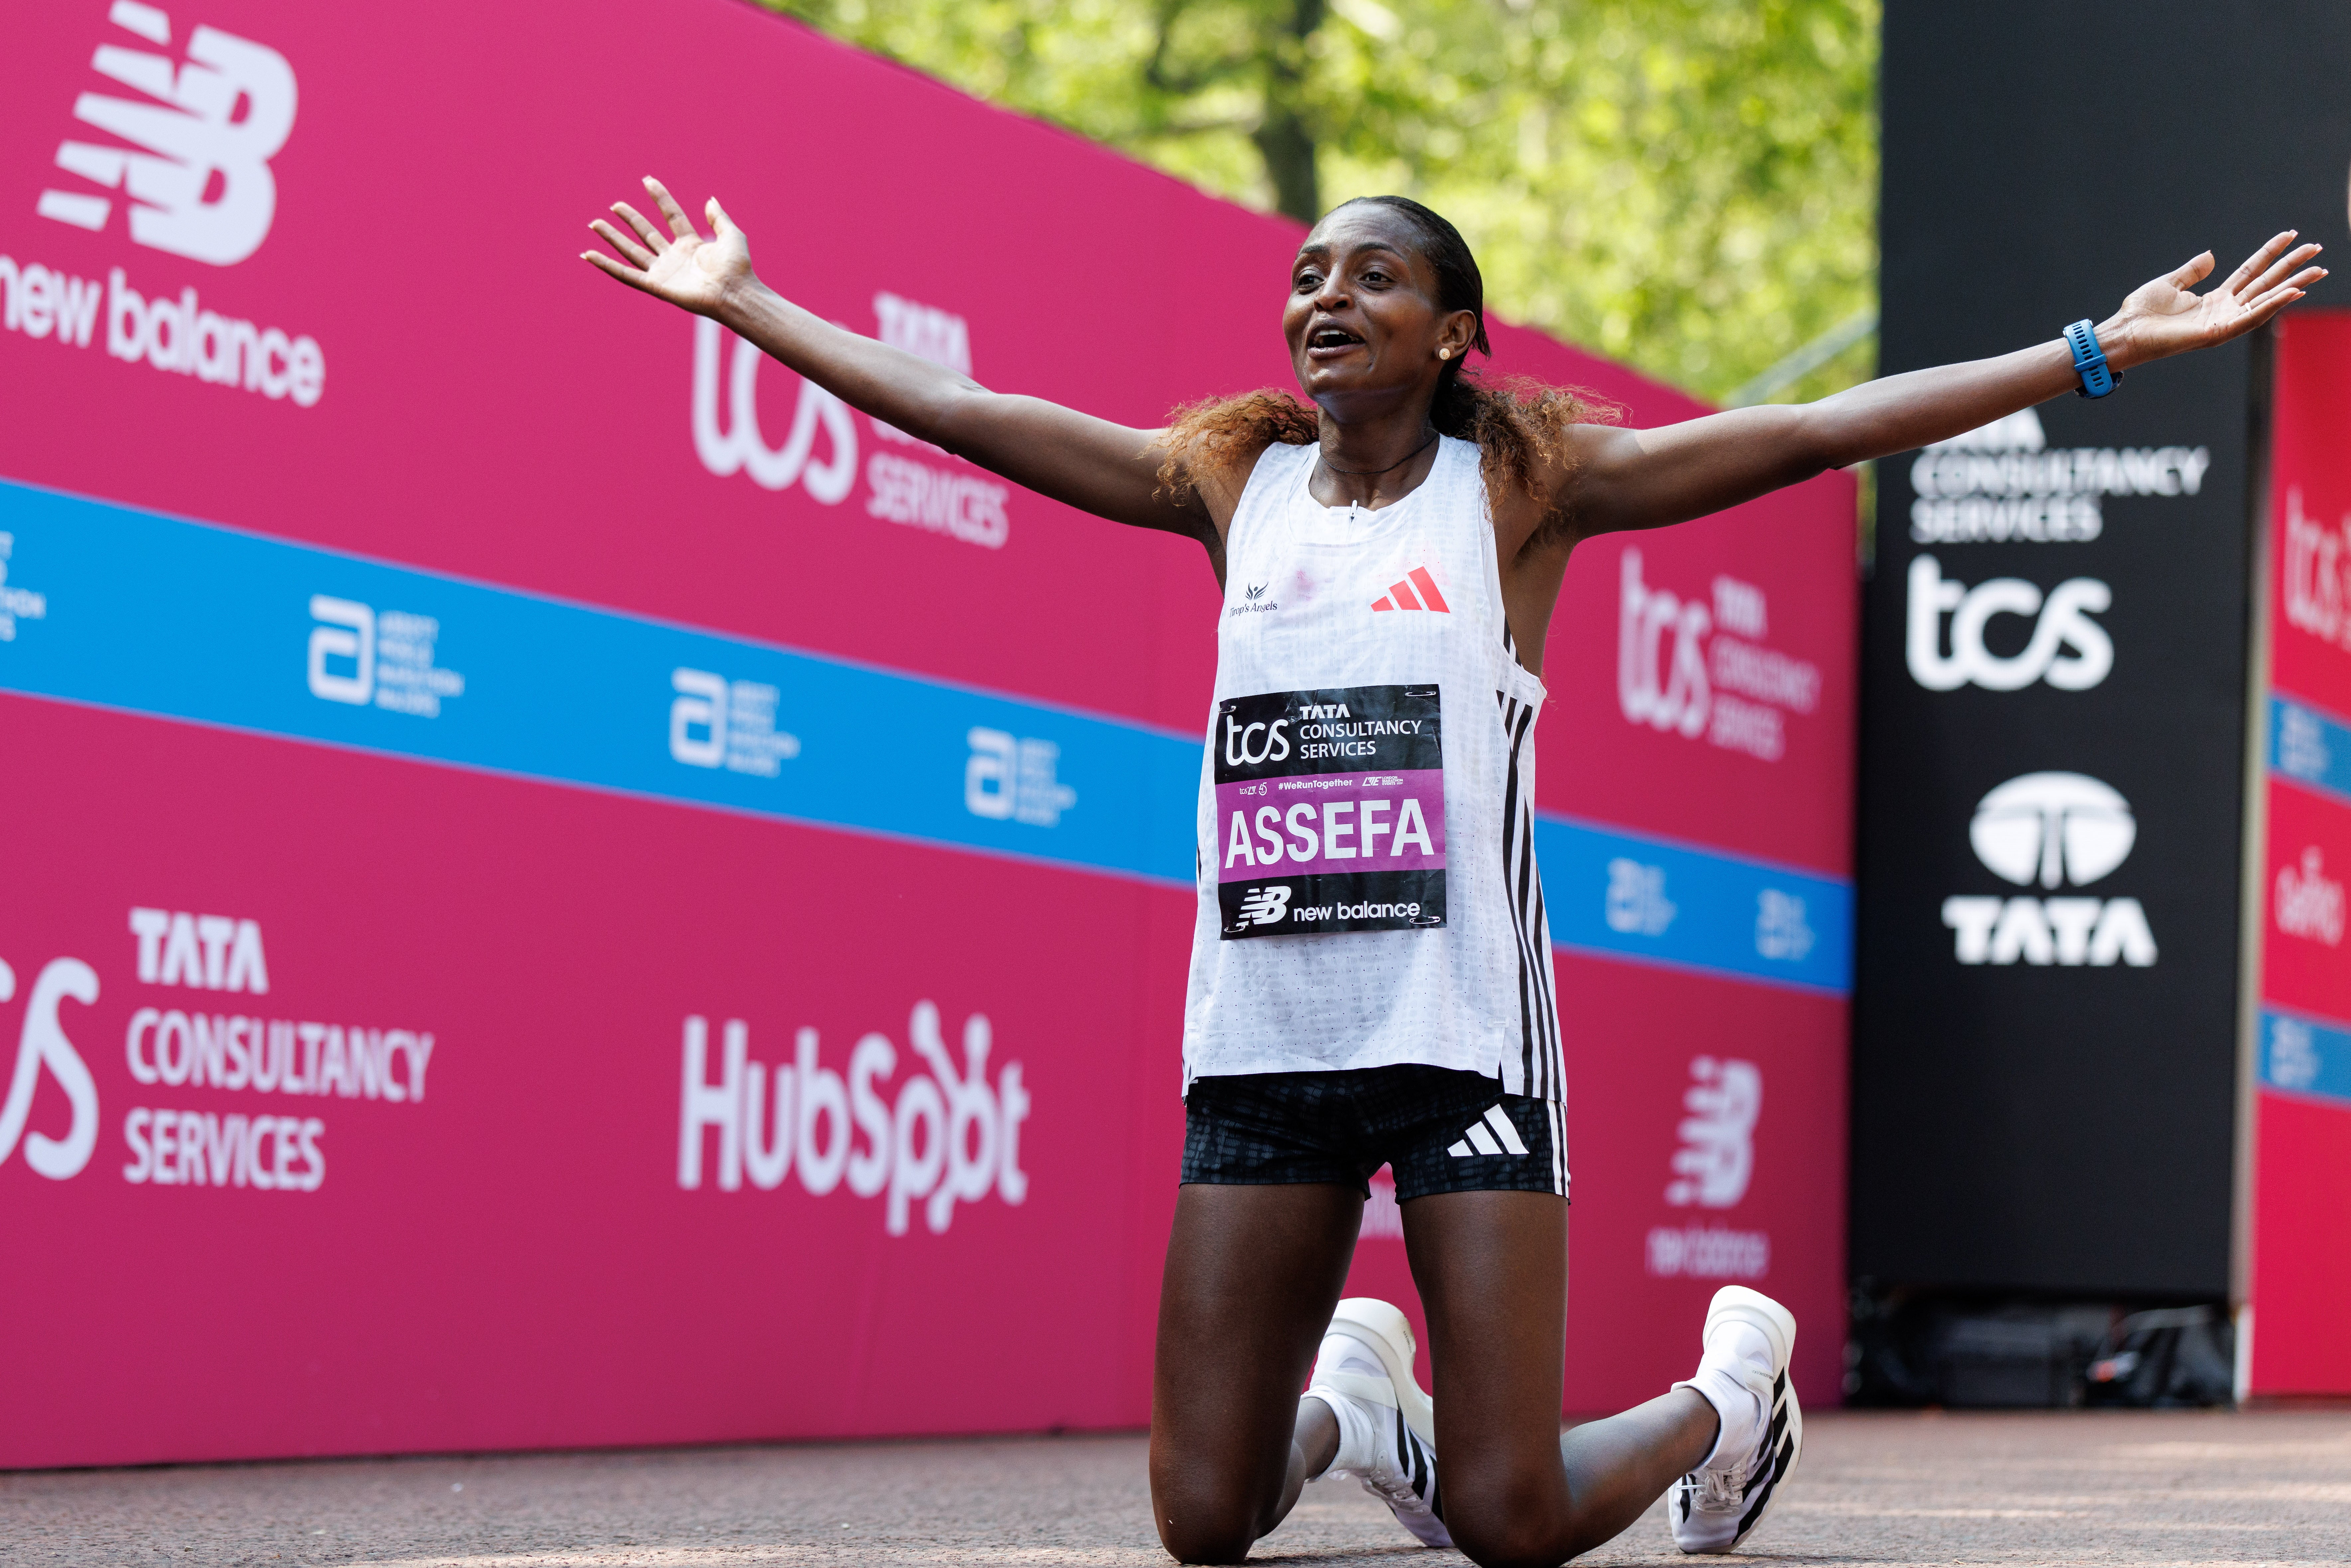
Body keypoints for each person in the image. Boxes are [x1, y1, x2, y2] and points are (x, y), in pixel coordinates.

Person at [583, 181, 2320, 1566]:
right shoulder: (1226, 482)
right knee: (1202, 1521)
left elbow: (1812, 437)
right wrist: (746, 302)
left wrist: (2089, 351)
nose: (1324, 298)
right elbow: (963, 409)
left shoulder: (1519, 494)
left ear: (1453, 333)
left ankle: (1725, 1397)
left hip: (1463, 1056)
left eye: (1373, 280)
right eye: (1307, 276)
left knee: (1506, 1524)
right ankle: (1356, 1403)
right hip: (1262, 1062)